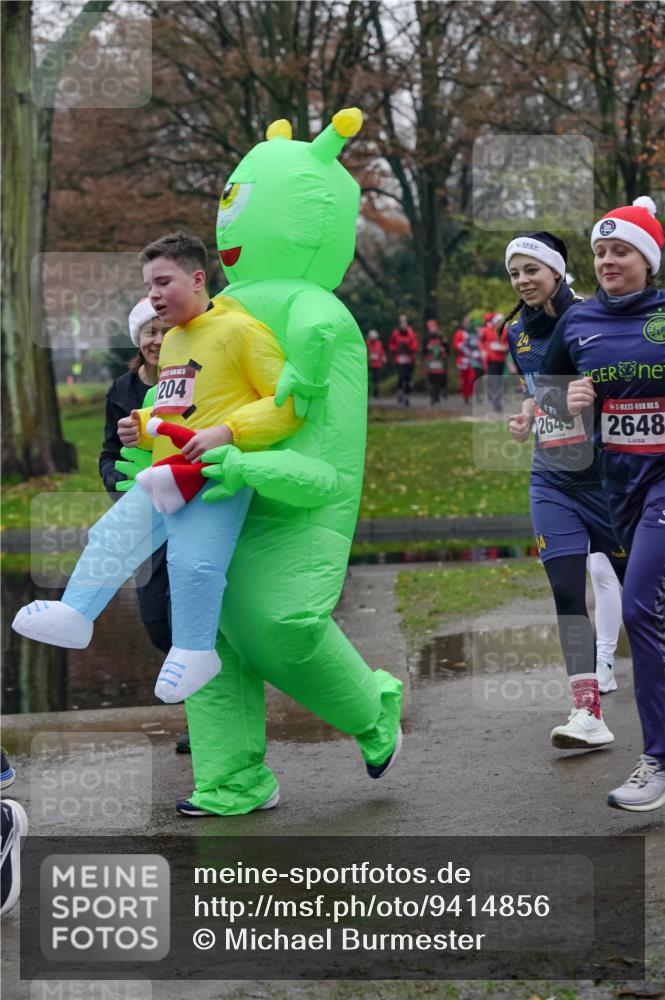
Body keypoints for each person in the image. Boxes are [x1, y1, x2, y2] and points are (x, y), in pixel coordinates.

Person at [13, 232, 303, 705]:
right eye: (149, 285)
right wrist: (142, 425)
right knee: (110, 537)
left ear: (198, 279)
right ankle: (75, 613)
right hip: (164, 472)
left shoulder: (242, 331)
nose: (153, 295)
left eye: (163, 282)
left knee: (193, 564)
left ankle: (194, 649)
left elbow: (287, 405)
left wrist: (228, 432)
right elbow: (180, 410)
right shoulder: (175, 342)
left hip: (214, 476)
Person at [536, 197, 665, 811]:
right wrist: (567, 403)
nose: (608, 260)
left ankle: (656, 761)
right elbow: (548, 400)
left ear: (649, 260)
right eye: (601, 251)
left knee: (637, 606)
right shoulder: (579, 321)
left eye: (621, 251)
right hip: (620, 489)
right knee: (652, 614)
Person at [504, 231, 625, 751]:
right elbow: (535, 391)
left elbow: (629, 386)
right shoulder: (516, 332)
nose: (522, 280)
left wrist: (589, 400)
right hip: (552, 478)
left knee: (645, 597)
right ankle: (587, 712)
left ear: (556, 270)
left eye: (531, 269)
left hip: (609, 479)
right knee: (567, 593)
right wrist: (527, 415)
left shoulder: (596, 318)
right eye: (514, 273)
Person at [99, 299, 172, 655]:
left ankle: (208, 679)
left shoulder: (196, 381)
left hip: (190, 502)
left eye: (167, 332)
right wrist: (119, 482)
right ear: (138, 338)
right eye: (150, 332)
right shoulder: (121, 389)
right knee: (155, 618)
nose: (158, 340)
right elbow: (109, 454)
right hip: (144, 512)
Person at [479, 312, 509, 412]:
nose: (499, 323)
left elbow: (508, 344)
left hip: (501, 359)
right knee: (494, 380)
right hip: (491, 359)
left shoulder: (505, 331)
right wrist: (483, 350)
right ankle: (496, 402)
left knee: (498, 380)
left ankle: (496, 400)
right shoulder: (487, 330)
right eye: (498, 321)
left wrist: (505, 348)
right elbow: (481, 342)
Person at [388, 314, 418, 406]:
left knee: (408, 378)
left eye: (404, 321)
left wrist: (410, 348)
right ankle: (400, 391)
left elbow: (415, 344)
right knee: (401, 377)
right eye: (401, 321)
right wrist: (396, 349)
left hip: (409, 359)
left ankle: (406, 395)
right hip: (399, 359)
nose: (403, 323)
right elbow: (391, 345)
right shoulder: (395, 333)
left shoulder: (411, 333)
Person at [452, 315, 480, 404]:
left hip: (473, 359)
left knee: (473, 377)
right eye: (466, 322)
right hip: (463, 359)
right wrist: (463, 348)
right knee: (464, 379)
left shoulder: (474, 333)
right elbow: (455, 344)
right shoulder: (459, 333)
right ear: (463, 323)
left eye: (469, 322)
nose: (467, 324)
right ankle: (465, 396)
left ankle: (472, 395)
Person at [423, 319, 448, 404]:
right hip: (430, 361)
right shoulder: (426, 338)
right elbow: (423, 351)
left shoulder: (441, 337)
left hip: (440, 361)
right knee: (431, 380)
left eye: (434, 327)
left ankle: (438, 394)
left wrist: (443, 349)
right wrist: (427, 349)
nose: (433, 329)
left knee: (440, 379)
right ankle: (433, 397)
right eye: (431, 327)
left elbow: (447, 348)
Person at [365, 328, 387, 399]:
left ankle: (376, 393)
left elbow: (381, 352)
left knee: (376, 379)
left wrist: (383, 357)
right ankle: (368, 393)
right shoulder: (367, 343)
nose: (373, 340)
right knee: (369, 379)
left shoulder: (379, 343)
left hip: (377, 364)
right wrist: (368, 357)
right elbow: (365, 352)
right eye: (372, 338)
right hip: (369, 364)